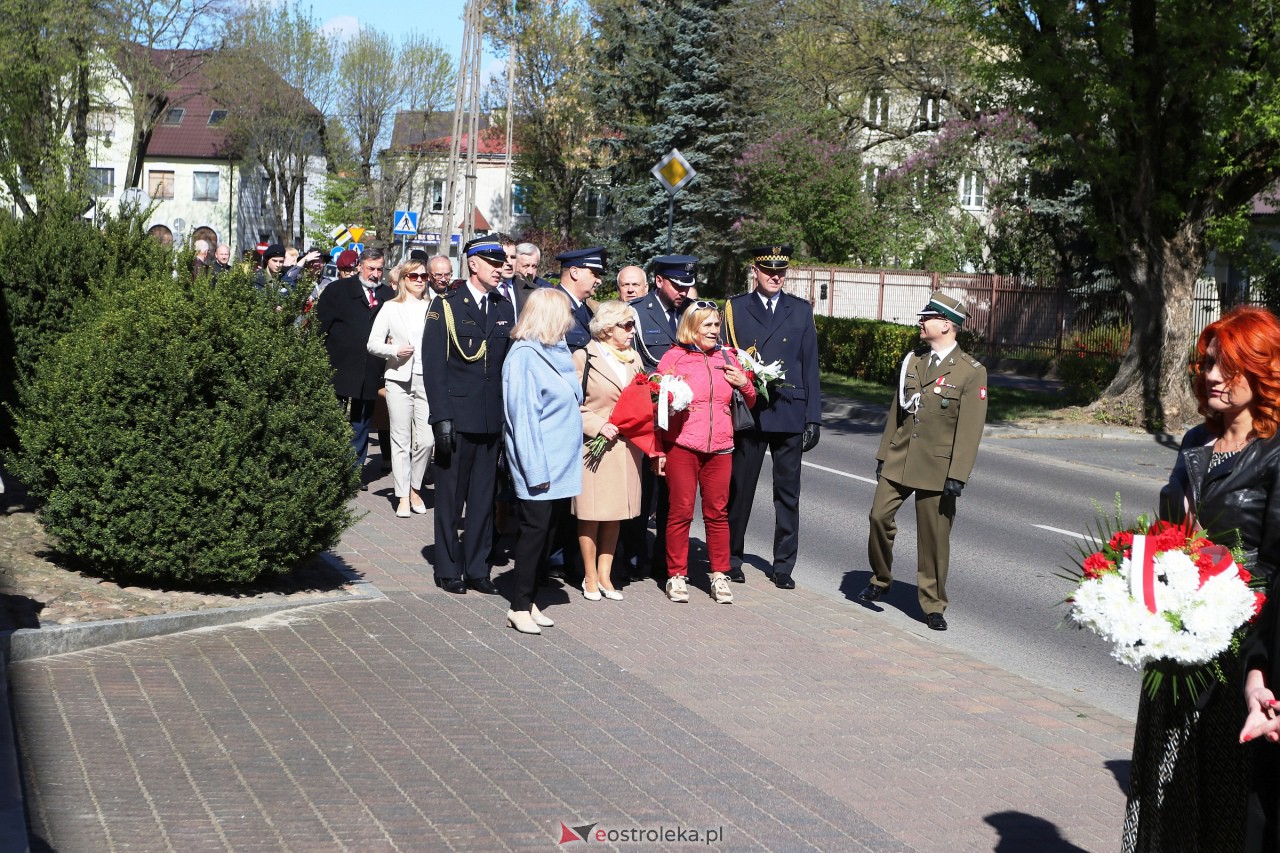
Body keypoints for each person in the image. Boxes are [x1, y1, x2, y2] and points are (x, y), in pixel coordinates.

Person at [1121, 306, 1280, 852]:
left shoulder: (1276, 453)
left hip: (1244, 653)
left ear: (1262, 371)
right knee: (1178, 794)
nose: (1211, 376)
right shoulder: (1194, 443)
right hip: (1180, 650)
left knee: (1238, 803)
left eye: (1228, 366)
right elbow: (1169, 537)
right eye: (1208, 363)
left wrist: (1236, 623)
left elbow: (1275, 567)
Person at [860, 291, 987, 631]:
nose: (920, 322)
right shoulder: (914, 361)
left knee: (933, 538)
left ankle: (933, 604)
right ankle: (880, 577)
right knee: (877, 517)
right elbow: (896, 413)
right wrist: (884, 453)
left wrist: (958, 473)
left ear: (946, 325)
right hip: (900, 458)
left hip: (938, 467)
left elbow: (970, 429)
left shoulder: (970, 372)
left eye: (927, 318)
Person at [725, 245, 823, 589]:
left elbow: (809, 364)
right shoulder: (736, 308)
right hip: (750, 410)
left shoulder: (799, 310)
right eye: (769, 271)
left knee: (787, 493)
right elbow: (726, 359)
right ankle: (731, 558)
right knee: (740, 488)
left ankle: (783, 565)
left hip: (789, 408)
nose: (775, 277)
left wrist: (814, 417)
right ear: (756, 271)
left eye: (781, 271)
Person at [422, 236, 515, 595]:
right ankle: (447, 568)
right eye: (493, 262)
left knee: (482, 501)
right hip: (458, 419)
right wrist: (441, 418)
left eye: (501, 262)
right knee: (449, 499)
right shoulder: (445, 307)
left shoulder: (504, 308)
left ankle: (478, 569)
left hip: (491, 420)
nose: (500, 268)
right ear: (473, 264)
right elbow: (434, 368)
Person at [653, 301, 756, 604]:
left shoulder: (729, 357)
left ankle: (720, 575)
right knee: (681, 511)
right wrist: (658, 451)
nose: (714, 330)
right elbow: (657, 409)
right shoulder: (674, 358)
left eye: (716, 324)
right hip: (682, 445)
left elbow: (747, 402)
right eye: (707, 325)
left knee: (717, 513)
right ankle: (676, 575)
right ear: (691, 328)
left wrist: (745, 385)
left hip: (721, 447)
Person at [501, 288, 583, 634]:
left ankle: (531, 598)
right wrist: (535, 469)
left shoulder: (557, 350)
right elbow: (522, 419)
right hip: (540, 463)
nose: (571, 319)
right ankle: (518, 605)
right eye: (565, 312)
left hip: (562, 463)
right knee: (534, 533)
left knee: (550, 533)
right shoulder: (523, 357)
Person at [626, 255, 697, 579]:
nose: (682, 291)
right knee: (642, 491)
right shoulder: (638, 312)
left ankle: (665, 563)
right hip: (647, 416)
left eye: (686, 285)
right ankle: (632, 556)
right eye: (676, 284)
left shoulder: (691, 315)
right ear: (659, 281)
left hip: (681, 419)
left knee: (672, 493)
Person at [574, 300, 645, 601]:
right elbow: (571, 405)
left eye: (633, 326)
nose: (632, 332)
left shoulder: (634, 359)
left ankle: (606, 574)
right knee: (590, 513)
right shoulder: (583, 357)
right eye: (626, 326)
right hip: (595, 448)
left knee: (615, 513)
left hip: (627, 449)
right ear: (607, 329)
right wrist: (596, 425)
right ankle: (589, 576)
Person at [316, 248, 393, 486]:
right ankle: (326, 468)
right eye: (371, 269)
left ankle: (352, 472)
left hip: (371, 368)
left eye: (380, 269)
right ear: (360, 266)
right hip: (338, 365)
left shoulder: (388, 295)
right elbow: (320, 328)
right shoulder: (337, 291)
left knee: (361, 423)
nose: (375, 274)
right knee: (330, 419)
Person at [366, 257, 434, 518]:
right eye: (413, 276)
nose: (419, 280)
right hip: (398, 378)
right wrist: (395, 350)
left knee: (427, 440)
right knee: (400, 438)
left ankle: (416, 487)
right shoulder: (391, 307)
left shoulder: (435, 306)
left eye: (423, 276)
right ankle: (402, 495)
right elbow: (372, 343)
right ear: (403, 279)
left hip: (426, 379)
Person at [556, 247, 605, 351]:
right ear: (574, 272)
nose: (599, 281)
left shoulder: (585, 308)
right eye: (594, 274)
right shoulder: (553, 306)